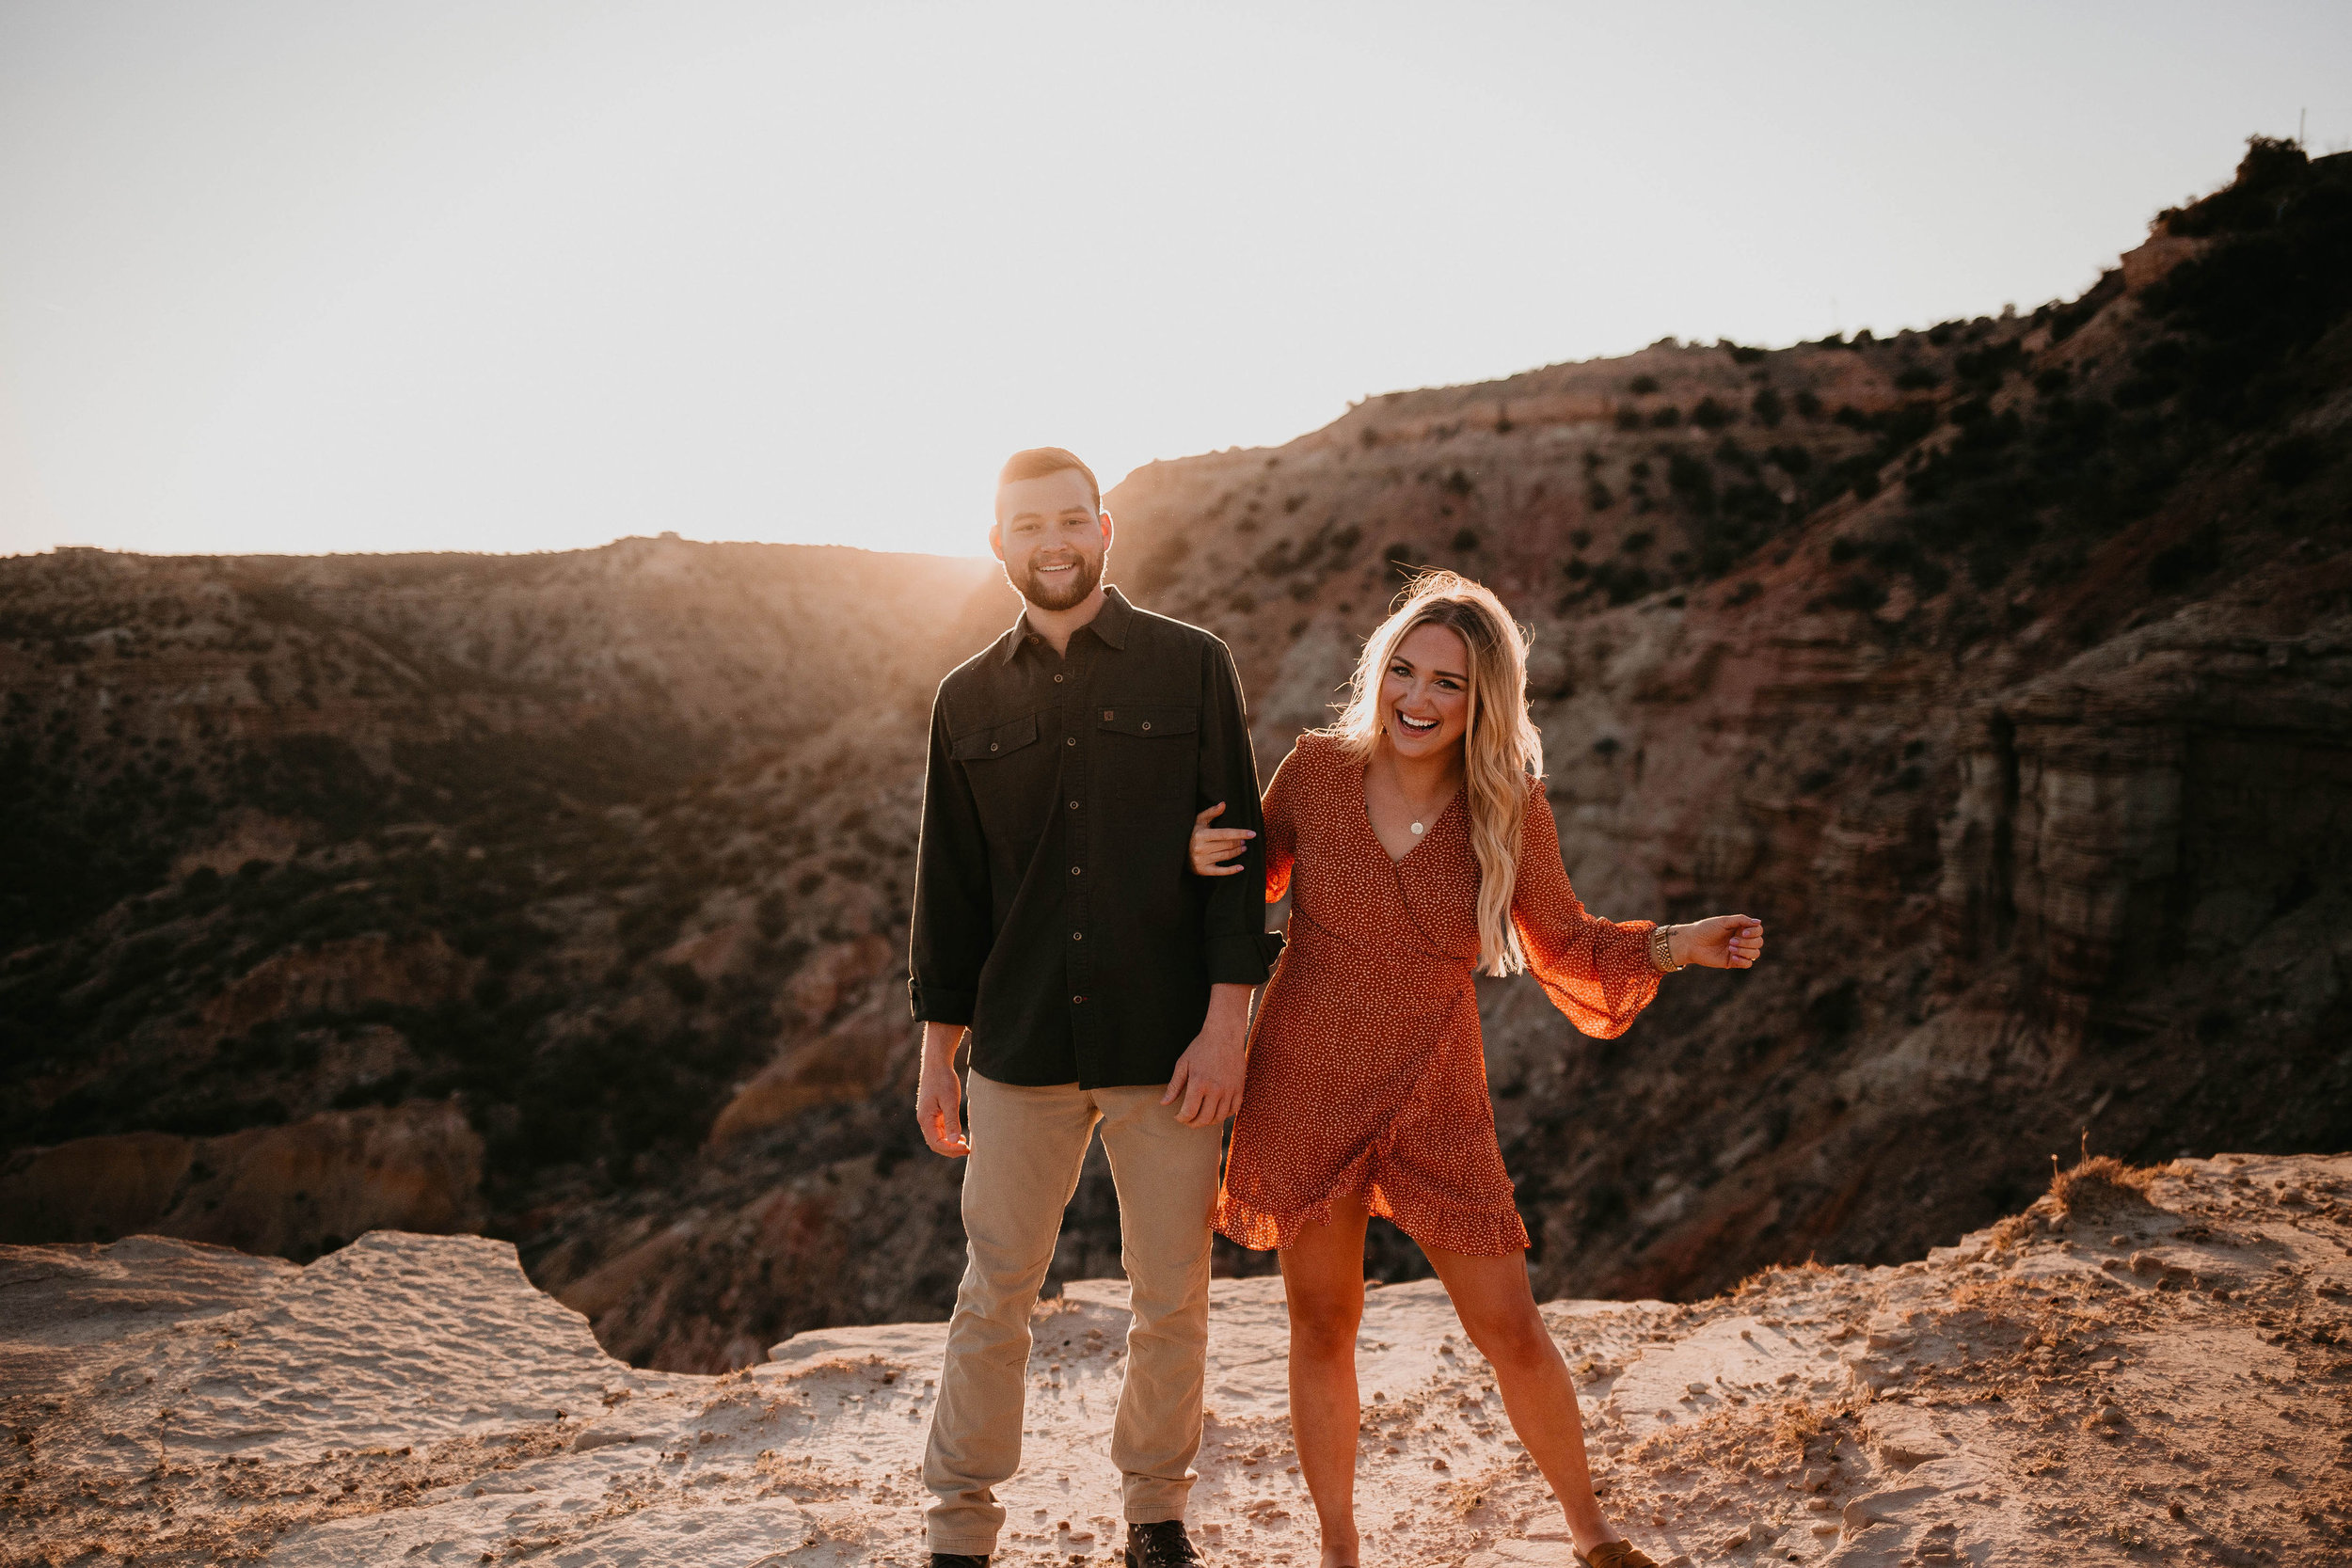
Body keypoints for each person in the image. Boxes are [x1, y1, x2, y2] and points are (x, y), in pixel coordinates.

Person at [1187, 570, 1765, 1568]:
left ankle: (1592, 1530)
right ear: (1379, 673)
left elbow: (1569, 941)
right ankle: (1338, 1548)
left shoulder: (1505, 802)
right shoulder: (1316, 771)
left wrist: (1678, 943)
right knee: (1322, 1319)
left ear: (1483, 699)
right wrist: (1197, 852)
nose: (1417, 698)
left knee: (1509, 1323)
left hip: (1432, 1084)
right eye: (1403, 671)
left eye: (1447, 683)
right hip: (1304, 1074)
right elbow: (1251, 882)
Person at [909, 447, 1279, 1568]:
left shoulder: (1190, 666)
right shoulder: (965, 699)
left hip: (1167, 1042)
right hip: (1018, 1046)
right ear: (998, 543)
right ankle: (959, 1526)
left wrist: (1226, 1027)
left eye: (1071, 520)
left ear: (1105, 529)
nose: (1052, 541)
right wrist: (939, 1052)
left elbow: (1238, 856)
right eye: (1029, 526)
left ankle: (1154, 1514)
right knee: (994, 1293)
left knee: (1171, 1294)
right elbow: (951, 889)